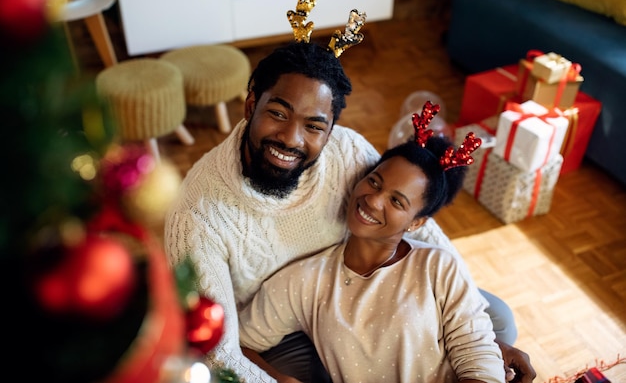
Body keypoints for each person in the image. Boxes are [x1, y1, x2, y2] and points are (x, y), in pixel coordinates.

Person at [164, 40, 535, 382]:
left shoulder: (347, 149)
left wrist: (482, 343)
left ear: (330, 131)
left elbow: (416, 222)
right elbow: (217, 349)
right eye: (278, 113)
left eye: (313, 126)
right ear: (250, 106)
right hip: (274, 321)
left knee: (495, 316)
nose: (292, 138)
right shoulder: (197, 215)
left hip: (356, 277)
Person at [238, 118, 505, 383]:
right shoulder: (303, 281)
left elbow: (478, 361)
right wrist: (277, 379)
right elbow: (236, 344)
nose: (374, 200)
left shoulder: (438, 266)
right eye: (374, 182)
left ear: (416, 222)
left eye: (397, 201)